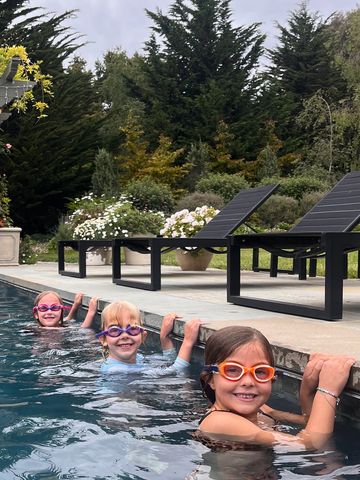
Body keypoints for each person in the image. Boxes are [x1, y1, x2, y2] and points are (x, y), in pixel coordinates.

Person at [195, 326, 355, 450]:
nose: (248, 382)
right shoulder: (219, 421)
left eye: (260, 371)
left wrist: (307, 388)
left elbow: (308, 422)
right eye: (232, 370)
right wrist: (328, 390)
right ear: (210, 379)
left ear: (272, 378)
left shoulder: (262, 410)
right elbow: (309, 443)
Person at [96, 300, 202, 374]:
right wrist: (187, 342)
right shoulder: (116, 370)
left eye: (132, 328)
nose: (124, 335)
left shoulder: (139, 358)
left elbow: (168, 362)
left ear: (143, 336)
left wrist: (164, 338)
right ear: (103, 339)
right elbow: (174, 371)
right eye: (114, 330)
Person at [33, 290, 98, 329]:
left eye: (55, 308)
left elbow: (67, 320)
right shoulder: (58, 330)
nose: (49, 312)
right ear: (36, 314)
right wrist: (91, 313)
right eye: (43, 308)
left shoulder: (60, 326)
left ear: (61, 311)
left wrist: (75, 305)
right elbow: (83, 330)